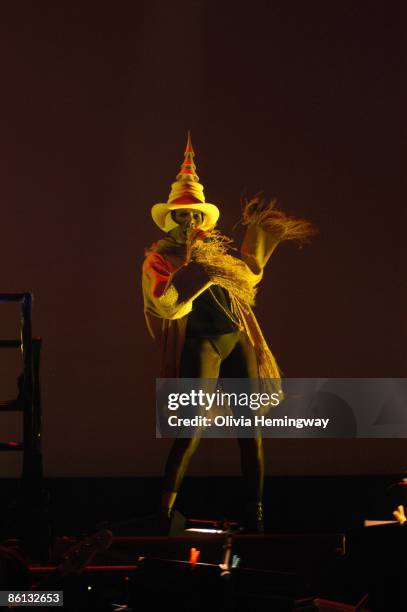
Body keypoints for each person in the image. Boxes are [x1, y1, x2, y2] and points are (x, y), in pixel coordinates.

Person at [142, 132, 315, 532]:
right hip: (202, 341)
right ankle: (163, 512)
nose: (188, 221)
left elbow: (248, 280)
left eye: (193, 215)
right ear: (172, 220)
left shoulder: (218, 255)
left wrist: (257, 233)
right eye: (181, 215)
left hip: (234, 338)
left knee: (250, 429)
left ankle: (254, 513)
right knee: (191, 429)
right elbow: (163, 303)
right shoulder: (160, 257)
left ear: (202, 218)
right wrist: (195, 272)